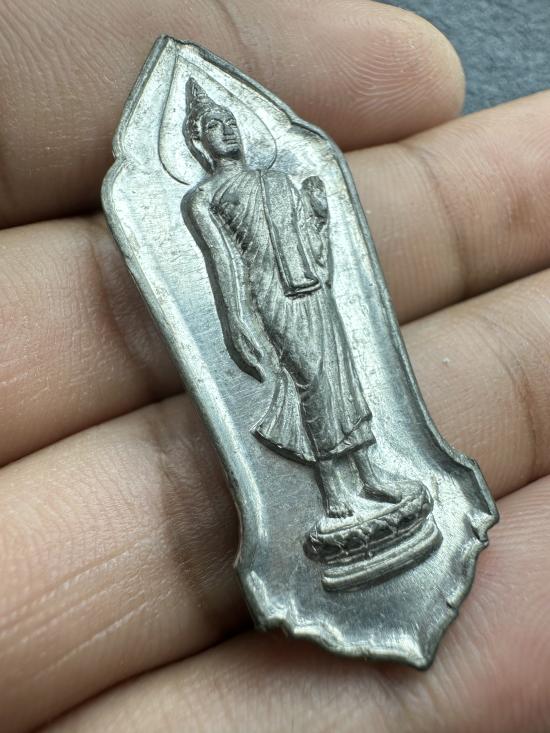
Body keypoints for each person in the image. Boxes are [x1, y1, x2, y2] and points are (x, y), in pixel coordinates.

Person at [0, 1, 549, 731]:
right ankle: (337, 494)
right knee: (312, 385)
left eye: (229, 125)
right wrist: (238, 331)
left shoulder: (275, 175)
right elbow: (225, 271)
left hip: (313, 292)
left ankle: (369, 474)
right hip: (271, 305)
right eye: (211, 130)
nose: (225, 133)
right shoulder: (205, 197)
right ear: (197, 144)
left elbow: (313, 244)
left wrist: (316, 213)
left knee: (345, 378)